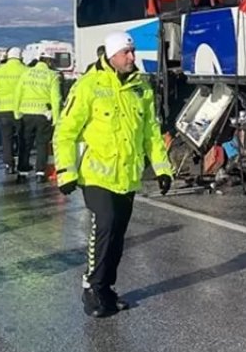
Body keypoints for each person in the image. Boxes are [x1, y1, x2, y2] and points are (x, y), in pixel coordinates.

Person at [54, 31, 173, 318]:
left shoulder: (140, 89)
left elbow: (150, 134)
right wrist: (65, 171)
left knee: (117, 236)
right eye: (126, 53)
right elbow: (65, 131)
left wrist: (162, 168)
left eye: (132, 53)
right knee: (104, 226)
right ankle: (92, 288)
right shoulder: (89, 85)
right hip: (97, 175)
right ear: (111, 56)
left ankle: (107, 289)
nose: (132, 58)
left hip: (127, 177)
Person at [14, 50, 62, 181]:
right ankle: (40, 173)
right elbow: (56, 99)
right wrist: (56, 119)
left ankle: (22, 172)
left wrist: (17, 113)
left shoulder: (26, 73)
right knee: (42, 144)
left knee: (25, 144)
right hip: (44, 115)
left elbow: (18, 94)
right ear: (49, 61)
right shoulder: (52, 76)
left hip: (26, 114)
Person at [0, 47, 27, 176]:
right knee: (23, 138)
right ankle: (22, 163)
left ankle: (8, 164)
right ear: (20, 56)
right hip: (21, 110)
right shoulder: (25, 70)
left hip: (3, 110)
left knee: (6, 138)